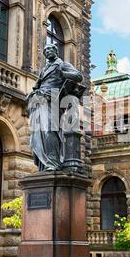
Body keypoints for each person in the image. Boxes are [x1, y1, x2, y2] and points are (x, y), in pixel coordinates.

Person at [26, 43, 83, 171]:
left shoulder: (62, 64)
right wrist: (33, 93)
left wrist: (62, 73)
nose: (48, 51)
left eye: (51, 49)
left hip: (54, 99)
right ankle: (44, 164)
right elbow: (37, 85)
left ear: (56, 51)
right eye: (45, 50)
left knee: (49, 130)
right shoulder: (44, 69)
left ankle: (54, 162)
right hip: (39, 100)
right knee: (37, 134)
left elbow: (79, 76)